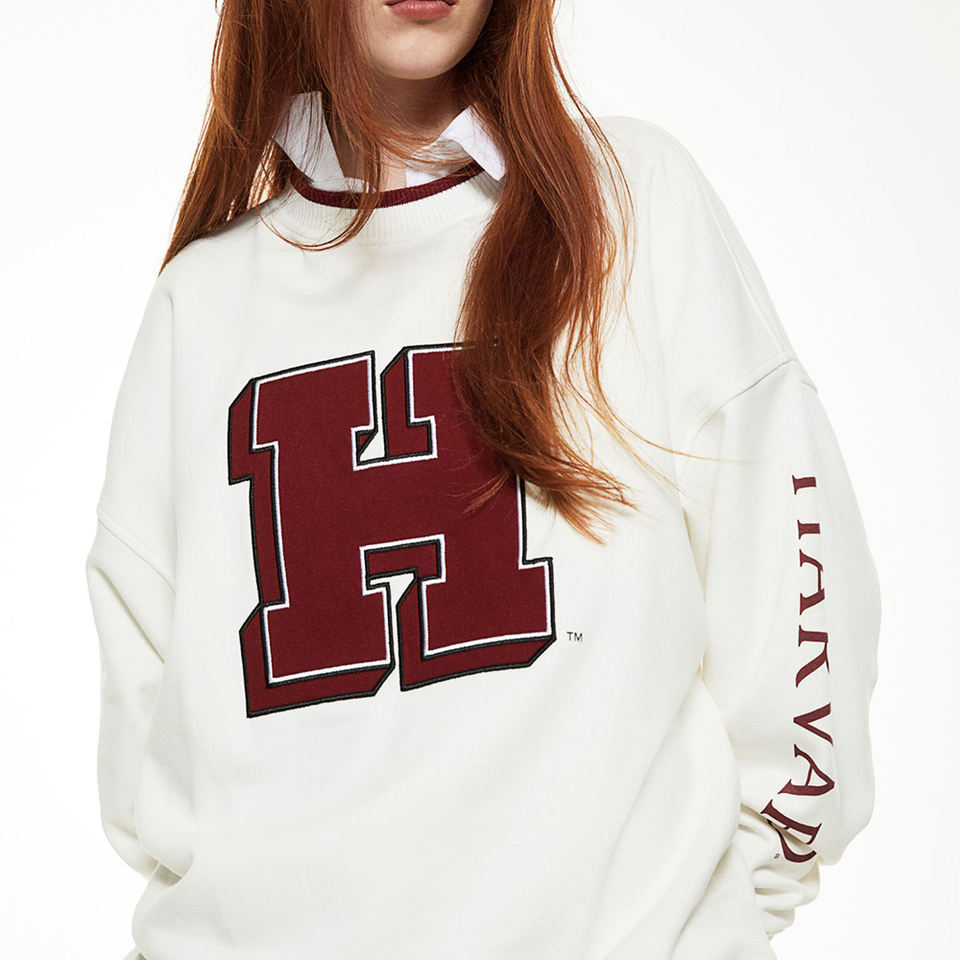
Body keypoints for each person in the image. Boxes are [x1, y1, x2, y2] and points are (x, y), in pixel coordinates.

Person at [83, 1, 882, 958]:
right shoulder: (200, 301)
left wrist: (719, 918)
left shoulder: (629, 203)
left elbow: (795, 607)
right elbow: (148, 754)